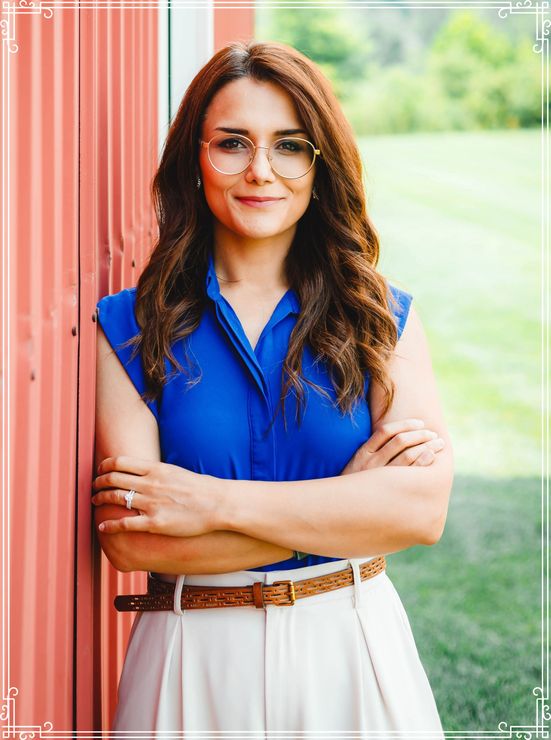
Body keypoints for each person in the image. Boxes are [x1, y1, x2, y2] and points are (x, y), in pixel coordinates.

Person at [92, 39, 453, 736]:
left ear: (319, 166)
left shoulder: (379, 316)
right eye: (232, 143)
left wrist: (210, 503)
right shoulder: (130, 325)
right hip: (188, 657)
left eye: (289, 146)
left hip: (351, 648)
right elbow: (133, 542)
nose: (260, 171)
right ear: (194, 160)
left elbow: (418, 514)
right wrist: (348, 509)